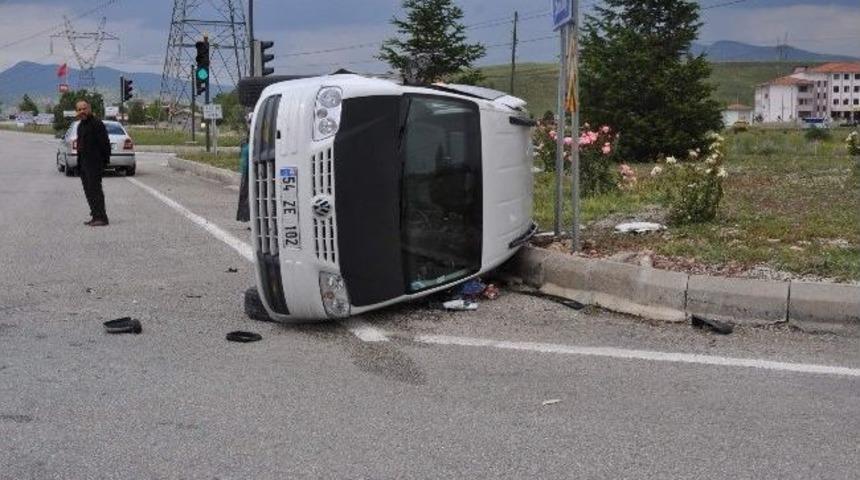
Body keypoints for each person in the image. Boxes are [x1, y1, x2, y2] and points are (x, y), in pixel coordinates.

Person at [75, 99, 111, 226]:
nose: (82, 111)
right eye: (79, 109)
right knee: (88, 191)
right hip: (84, 165)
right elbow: (80, 146)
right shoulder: (80, 126)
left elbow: (105, 144)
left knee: (96, 191)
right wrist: (79, 165)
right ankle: (95, 215)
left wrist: (104, 162)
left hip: (95, 164)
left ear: (89, 108)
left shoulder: (97, 123)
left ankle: (102, 217)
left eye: (84, 108)